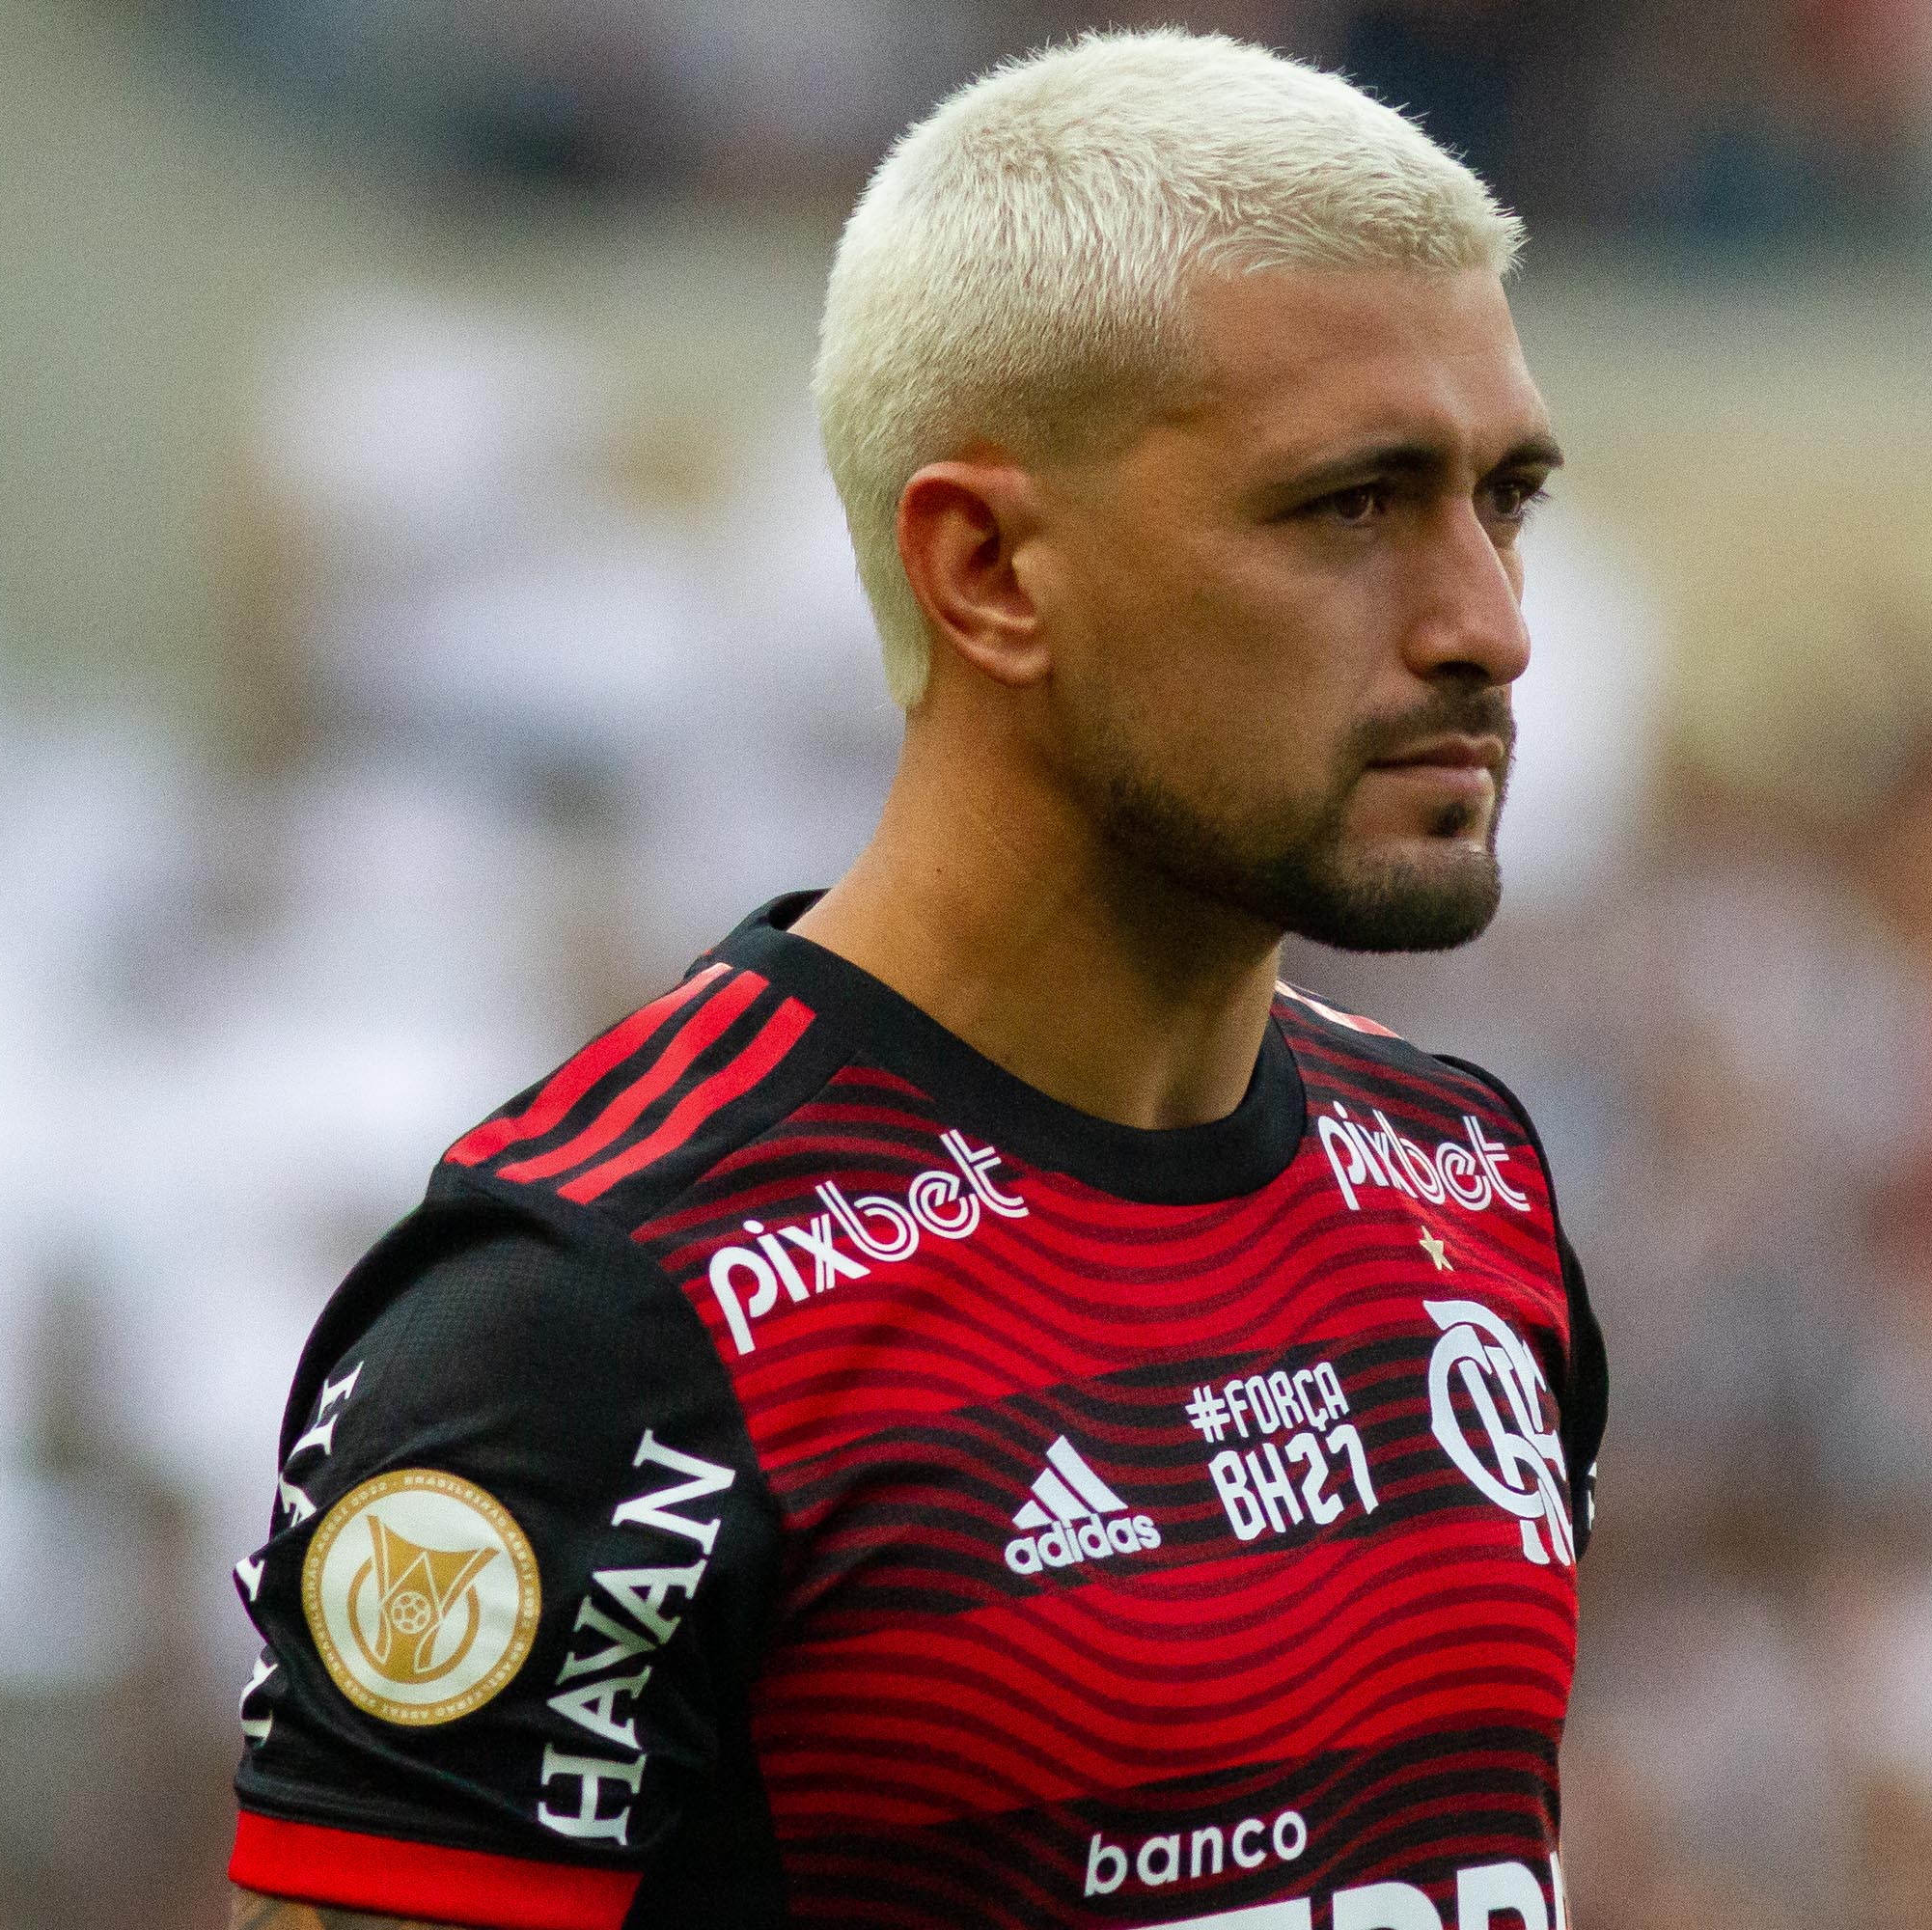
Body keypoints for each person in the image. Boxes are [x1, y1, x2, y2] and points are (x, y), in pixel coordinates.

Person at [227, 29, 1607, 1929]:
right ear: (989, 574)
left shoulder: (1473, 1191)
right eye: (1353, 505)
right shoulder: (592, 1335)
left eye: (1503, 497)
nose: (1492, 626)